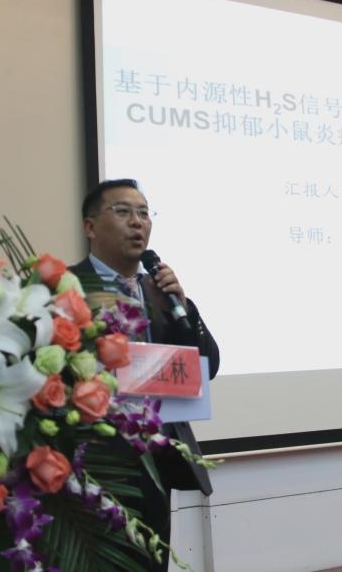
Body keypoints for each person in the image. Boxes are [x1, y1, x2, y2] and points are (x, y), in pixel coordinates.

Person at [68, 179, 220, 571]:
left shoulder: (159, 290)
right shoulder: (65, 289)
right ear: (90, 227)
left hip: (153, 464)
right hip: (90, 464)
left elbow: (208, 365)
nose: (137, 222)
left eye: (143, 213)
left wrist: (180, 307)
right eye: (122, 211)